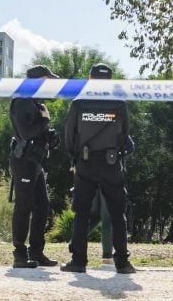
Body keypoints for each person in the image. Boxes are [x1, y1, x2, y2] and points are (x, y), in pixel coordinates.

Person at [61, 63, 136, 274]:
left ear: (90, 78)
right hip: (111, 165)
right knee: (117, 214)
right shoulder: (120, 104)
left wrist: (75, 158)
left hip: (85, 163)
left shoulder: (78, 103)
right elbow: (125, 136)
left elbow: (69, 137)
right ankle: (122, 263)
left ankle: (78, 262)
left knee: (82, 214)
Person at [9, 65, 60, 268]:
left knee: (42, 206)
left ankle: (36, 252)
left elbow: (37, 132)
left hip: (36, 161)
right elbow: (26, 133)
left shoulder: (35, 101)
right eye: (48, 79)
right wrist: (45, 122)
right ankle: (20, 256)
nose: (50, 83)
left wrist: (50, 136)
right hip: (23, 161)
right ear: (38, 80)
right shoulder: (21, 100)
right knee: (24, 206)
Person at [82, 135, 135, 265]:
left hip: (91, 175)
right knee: (109, 217)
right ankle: (107, 255)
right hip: (111, 175)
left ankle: (76, 240)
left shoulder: (92, 126)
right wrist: (117, 157)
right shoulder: (116, 127)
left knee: (95, 214)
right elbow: (130, 147)